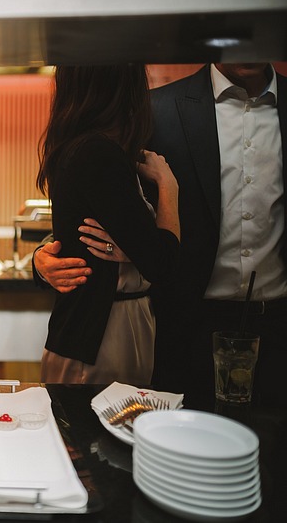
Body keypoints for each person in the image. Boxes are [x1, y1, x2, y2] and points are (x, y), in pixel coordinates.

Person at [34, 63, 287, 406]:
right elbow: (95, 201)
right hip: (180, 323)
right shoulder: (157, 110)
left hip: (276, 320)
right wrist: (45, 254)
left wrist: (139, 244)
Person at [35, 64, 180, 385]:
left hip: (100, 327)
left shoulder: (80, 146)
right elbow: (161, 261)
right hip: (103, 332)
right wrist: (169, 186)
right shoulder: (97, 152)